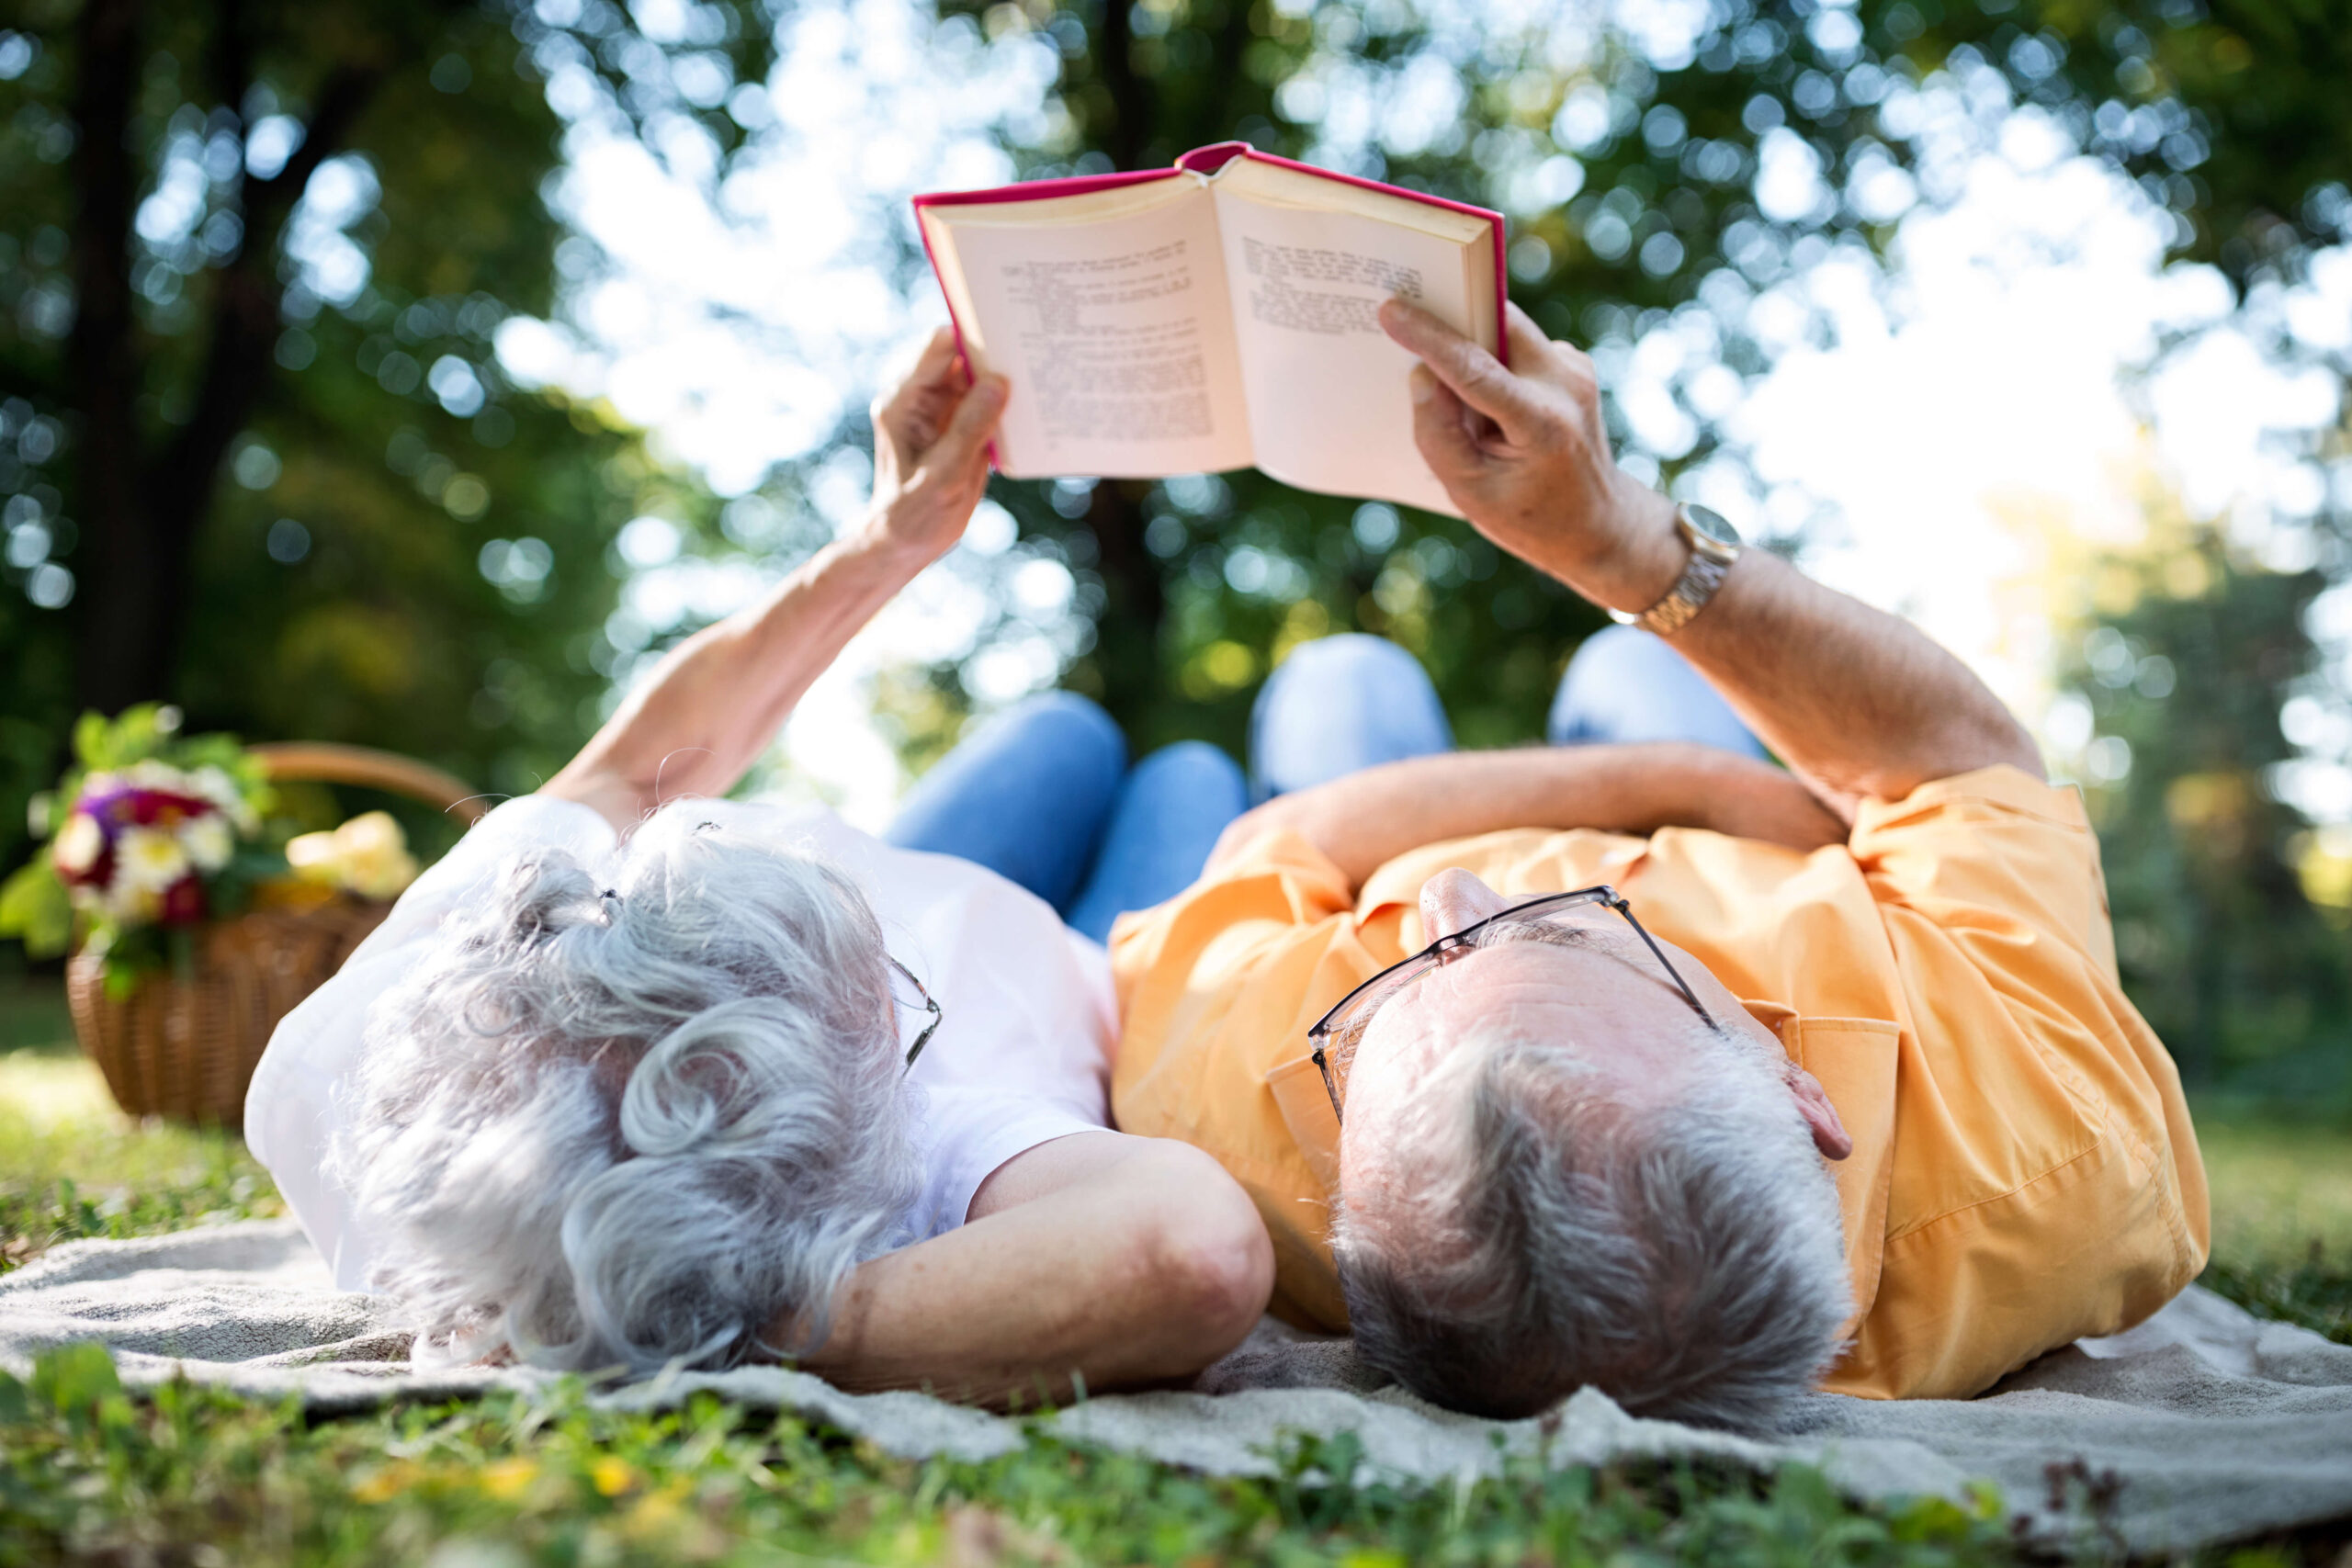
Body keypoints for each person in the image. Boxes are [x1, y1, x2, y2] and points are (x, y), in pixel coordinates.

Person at [1108, 299, 2209, 1429]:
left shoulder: (1240, 1122)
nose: (1452, 896)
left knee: (1341, 675)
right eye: (1562, 930)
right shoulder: (2060, 1128)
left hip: (1379, 832)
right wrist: (1617, 554)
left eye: (1398, 988)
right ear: (1802, 1096)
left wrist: (1666, 788)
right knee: (1635, 663)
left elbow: (1275, 849)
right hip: (1764, 829)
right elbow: (1958, 763)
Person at [244, 329, 1272, 1405]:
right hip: (1092, 966)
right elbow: (1193, 1252)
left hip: (933, 870)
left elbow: (638, 766)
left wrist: (890, 538)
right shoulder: (911, 1178)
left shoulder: (378, 1029)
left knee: (1062, 730)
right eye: (890, 1008)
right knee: (1193, 774)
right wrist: (746, 1333)